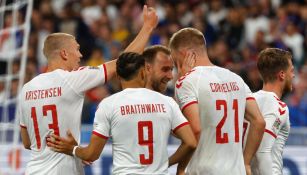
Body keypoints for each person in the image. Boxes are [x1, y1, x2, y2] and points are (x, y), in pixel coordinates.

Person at [18, 5, 158, 175]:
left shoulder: (27, 89)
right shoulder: (71, 79)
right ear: (64, 53)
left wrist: (73, 154)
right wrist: (148, 27)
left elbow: (27, 142)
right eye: (76, 49)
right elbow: (122, 63)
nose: (80, 55)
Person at [47, 52, 197, 174]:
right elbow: (190, 142)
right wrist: (166, 163)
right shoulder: (167, 102)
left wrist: (72, 149)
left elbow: (91, 154)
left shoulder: (108, 104)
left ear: (118, 77)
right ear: (144, 73)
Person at [168, 27, 266, 175]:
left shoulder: (187, 81)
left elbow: (193, 131)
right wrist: (245, 162)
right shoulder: (236, 78)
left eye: (176, 61)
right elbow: (259, 121)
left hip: (204, 170)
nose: (176, 67)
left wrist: (175, 166)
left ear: (186, 54)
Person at [244, 48, 294, 175]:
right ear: (282, 74)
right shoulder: (279, 107)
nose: (293, 75)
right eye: (291, 71)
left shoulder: (248, 101)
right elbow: (262, 150)